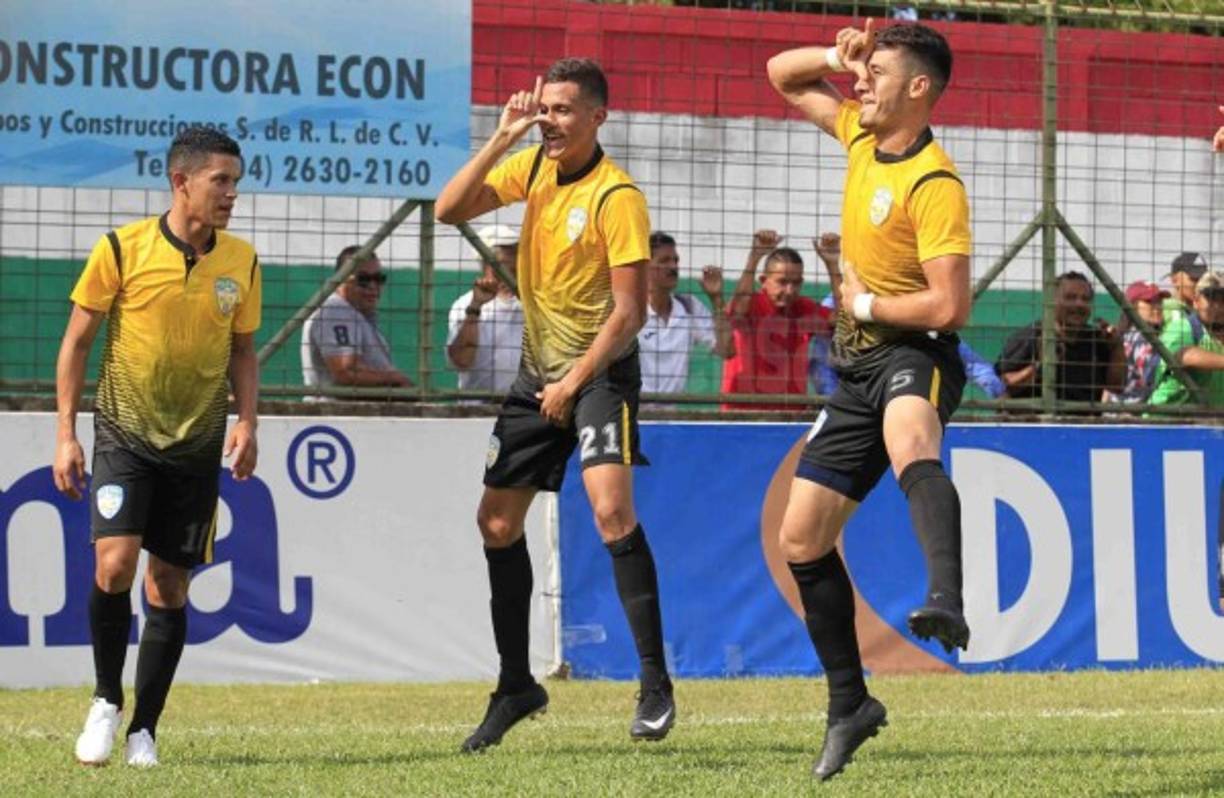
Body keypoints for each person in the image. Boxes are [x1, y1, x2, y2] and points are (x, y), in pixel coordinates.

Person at [435, 58, 676, 751]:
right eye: (544, 108)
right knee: (496, 524)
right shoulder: (532, 167)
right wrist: (502, 136)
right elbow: (450, 209)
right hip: (537, 377)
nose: (550, 121)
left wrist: (574, 384)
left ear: (598, 117)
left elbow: (628, 313)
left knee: (610, 510)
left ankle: (654, 683)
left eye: (563, 110)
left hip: (599, 376)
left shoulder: (616, 195)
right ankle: (517, 684)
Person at [768, 20, 973, 780]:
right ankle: (851, 702)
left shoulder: (934, 182)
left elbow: (950, 306)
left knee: (912, 441)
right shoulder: (858, 133)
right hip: (856, 369)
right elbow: (781, 76)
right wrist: (835, 54)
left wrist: (864, 306)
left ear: (918, 89)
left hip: (913, 352)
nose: (861, 82)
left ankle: (945, 599)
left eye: (877, 71)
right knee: (800, 539)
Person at [52, 127, 261, 768]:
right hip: (123, 434)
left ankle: (146, 728)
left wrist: (248, 421)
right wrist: (64, 433)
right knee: (113, 567)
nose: (231, 193)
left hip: (195, 446)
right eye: (220, 181)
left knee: (169, 583)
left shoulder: (241, 262)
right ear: (182, 182)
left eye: (235, 181)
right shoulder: (121, 248)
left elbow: (243, 352)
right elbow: (77, 343)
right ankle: (106, 702)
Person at [722, 229, 832, 410]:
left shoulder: (804, 308)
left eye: (796, 283)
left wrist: (832, 265)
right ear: (763, 280)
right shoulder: (752, 305)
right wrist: (754, 257)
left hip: (791, 418)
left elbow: (843, 318)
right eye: (782, 282)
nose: (789, 290)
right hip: (741, 415)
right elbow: (739, 307)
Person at [995, 271, 1125, 404]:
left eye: (1085, 299)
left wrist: (1116, 348)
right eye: (1070, 297)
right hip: (1036, 421)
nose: (1079, 304)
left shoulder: (1096, 340)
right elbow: (999, 387)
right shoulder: (1031, 336)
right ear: (1052, 301)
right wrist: (1040, 368)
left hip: (1083, 423)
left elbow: (1116, 387)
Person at [301, 245, 411, 399]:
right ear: (341, 279)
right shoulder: (337, 310)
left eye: (379, 279)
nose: (373, 286)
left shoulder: (358, 314)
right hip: (339, 416)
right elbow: (346, 372)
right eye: (363, 279)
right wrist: (394, 378)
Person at [638, 231, 734, 395]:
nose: (673, 267)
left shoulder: (689, 306)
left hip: (671, 414)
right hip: (635, 413)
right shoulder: (631, 311)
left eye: (675, 260)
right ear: (645, 267)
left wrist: (717, 299)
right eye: (664, 261)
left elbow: (727, 351)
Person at [446, 224, 525, 395]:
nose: (512, 272)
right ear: (485, 266)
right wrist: (475, 307)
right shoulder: (465, 304)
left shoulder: (533, 304)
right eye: (503, 267)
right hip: (477, 409)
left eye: (516, 264)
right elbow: (461, 361)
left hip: (524, 407)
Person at [1149, 269, 1224, 407]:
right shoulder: (1183, 327)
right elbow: (1184, 355)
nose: (1218, 306)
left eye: (1223, 300)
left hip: (1207, 422)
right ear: (1196, 301)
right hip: (1166, 420)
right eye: (1211, 298)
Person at [1103, 280, 1168, 405]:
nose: (1157, 306)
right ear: (1133, 306)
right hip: (1133, 416)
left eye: (1159, 301)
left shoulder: (1122, 335)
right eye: (1149, 301)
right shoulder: (1144, 339)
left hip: (1114, 411)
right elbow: (1154, 378)